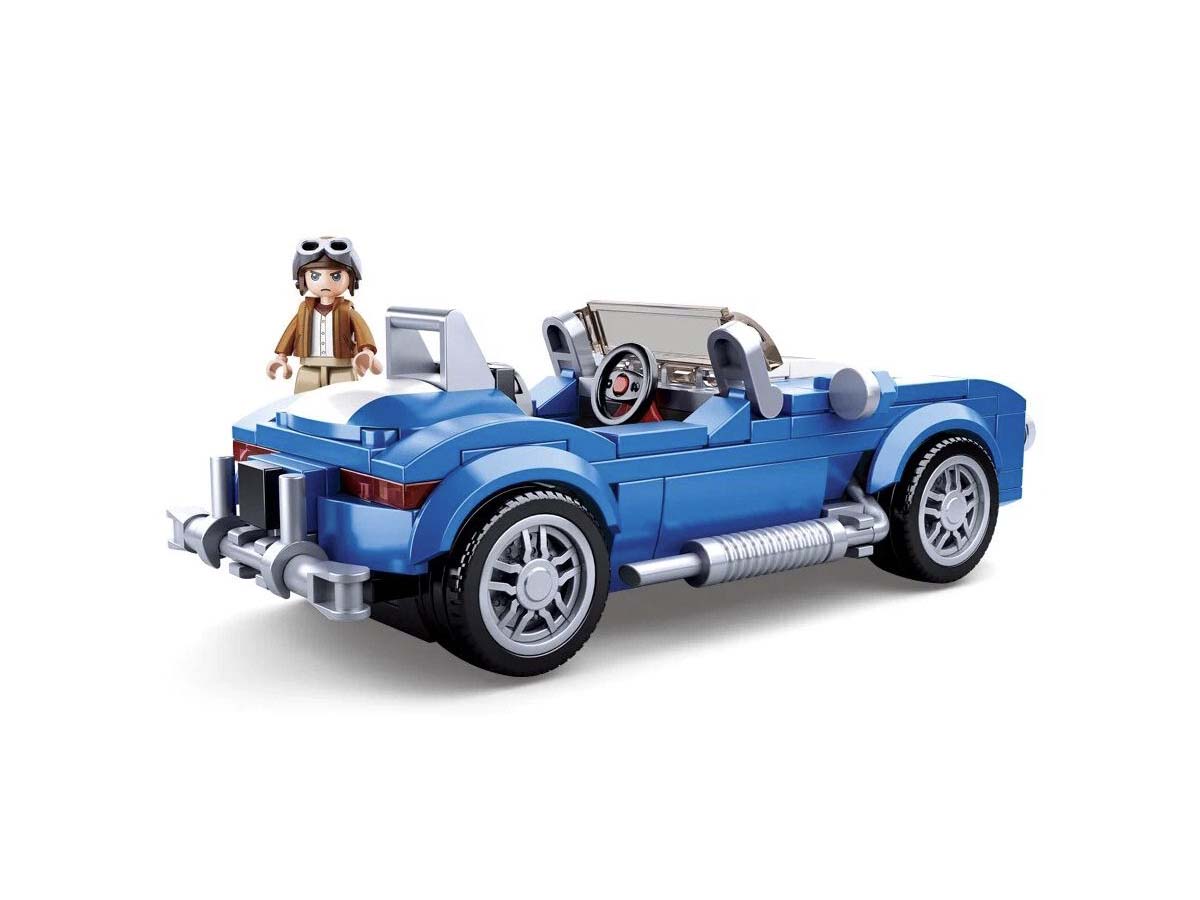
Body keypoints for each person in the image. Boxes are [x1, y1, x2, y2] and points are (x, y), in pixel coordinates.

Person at [266, 237, 383, 392]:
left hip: (341, 368)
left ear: (351, 279)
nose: (324, 282)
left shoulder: (347, 311)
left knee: (343, 399)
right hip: (309, 367)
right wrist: (281, 357)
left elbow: (363, 332)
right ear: (302, 280)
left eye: (336, 276)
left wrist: (367, 352)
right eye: (315, 276)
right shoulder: (304, 310)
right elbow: (290, 333)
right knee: (305, 400)